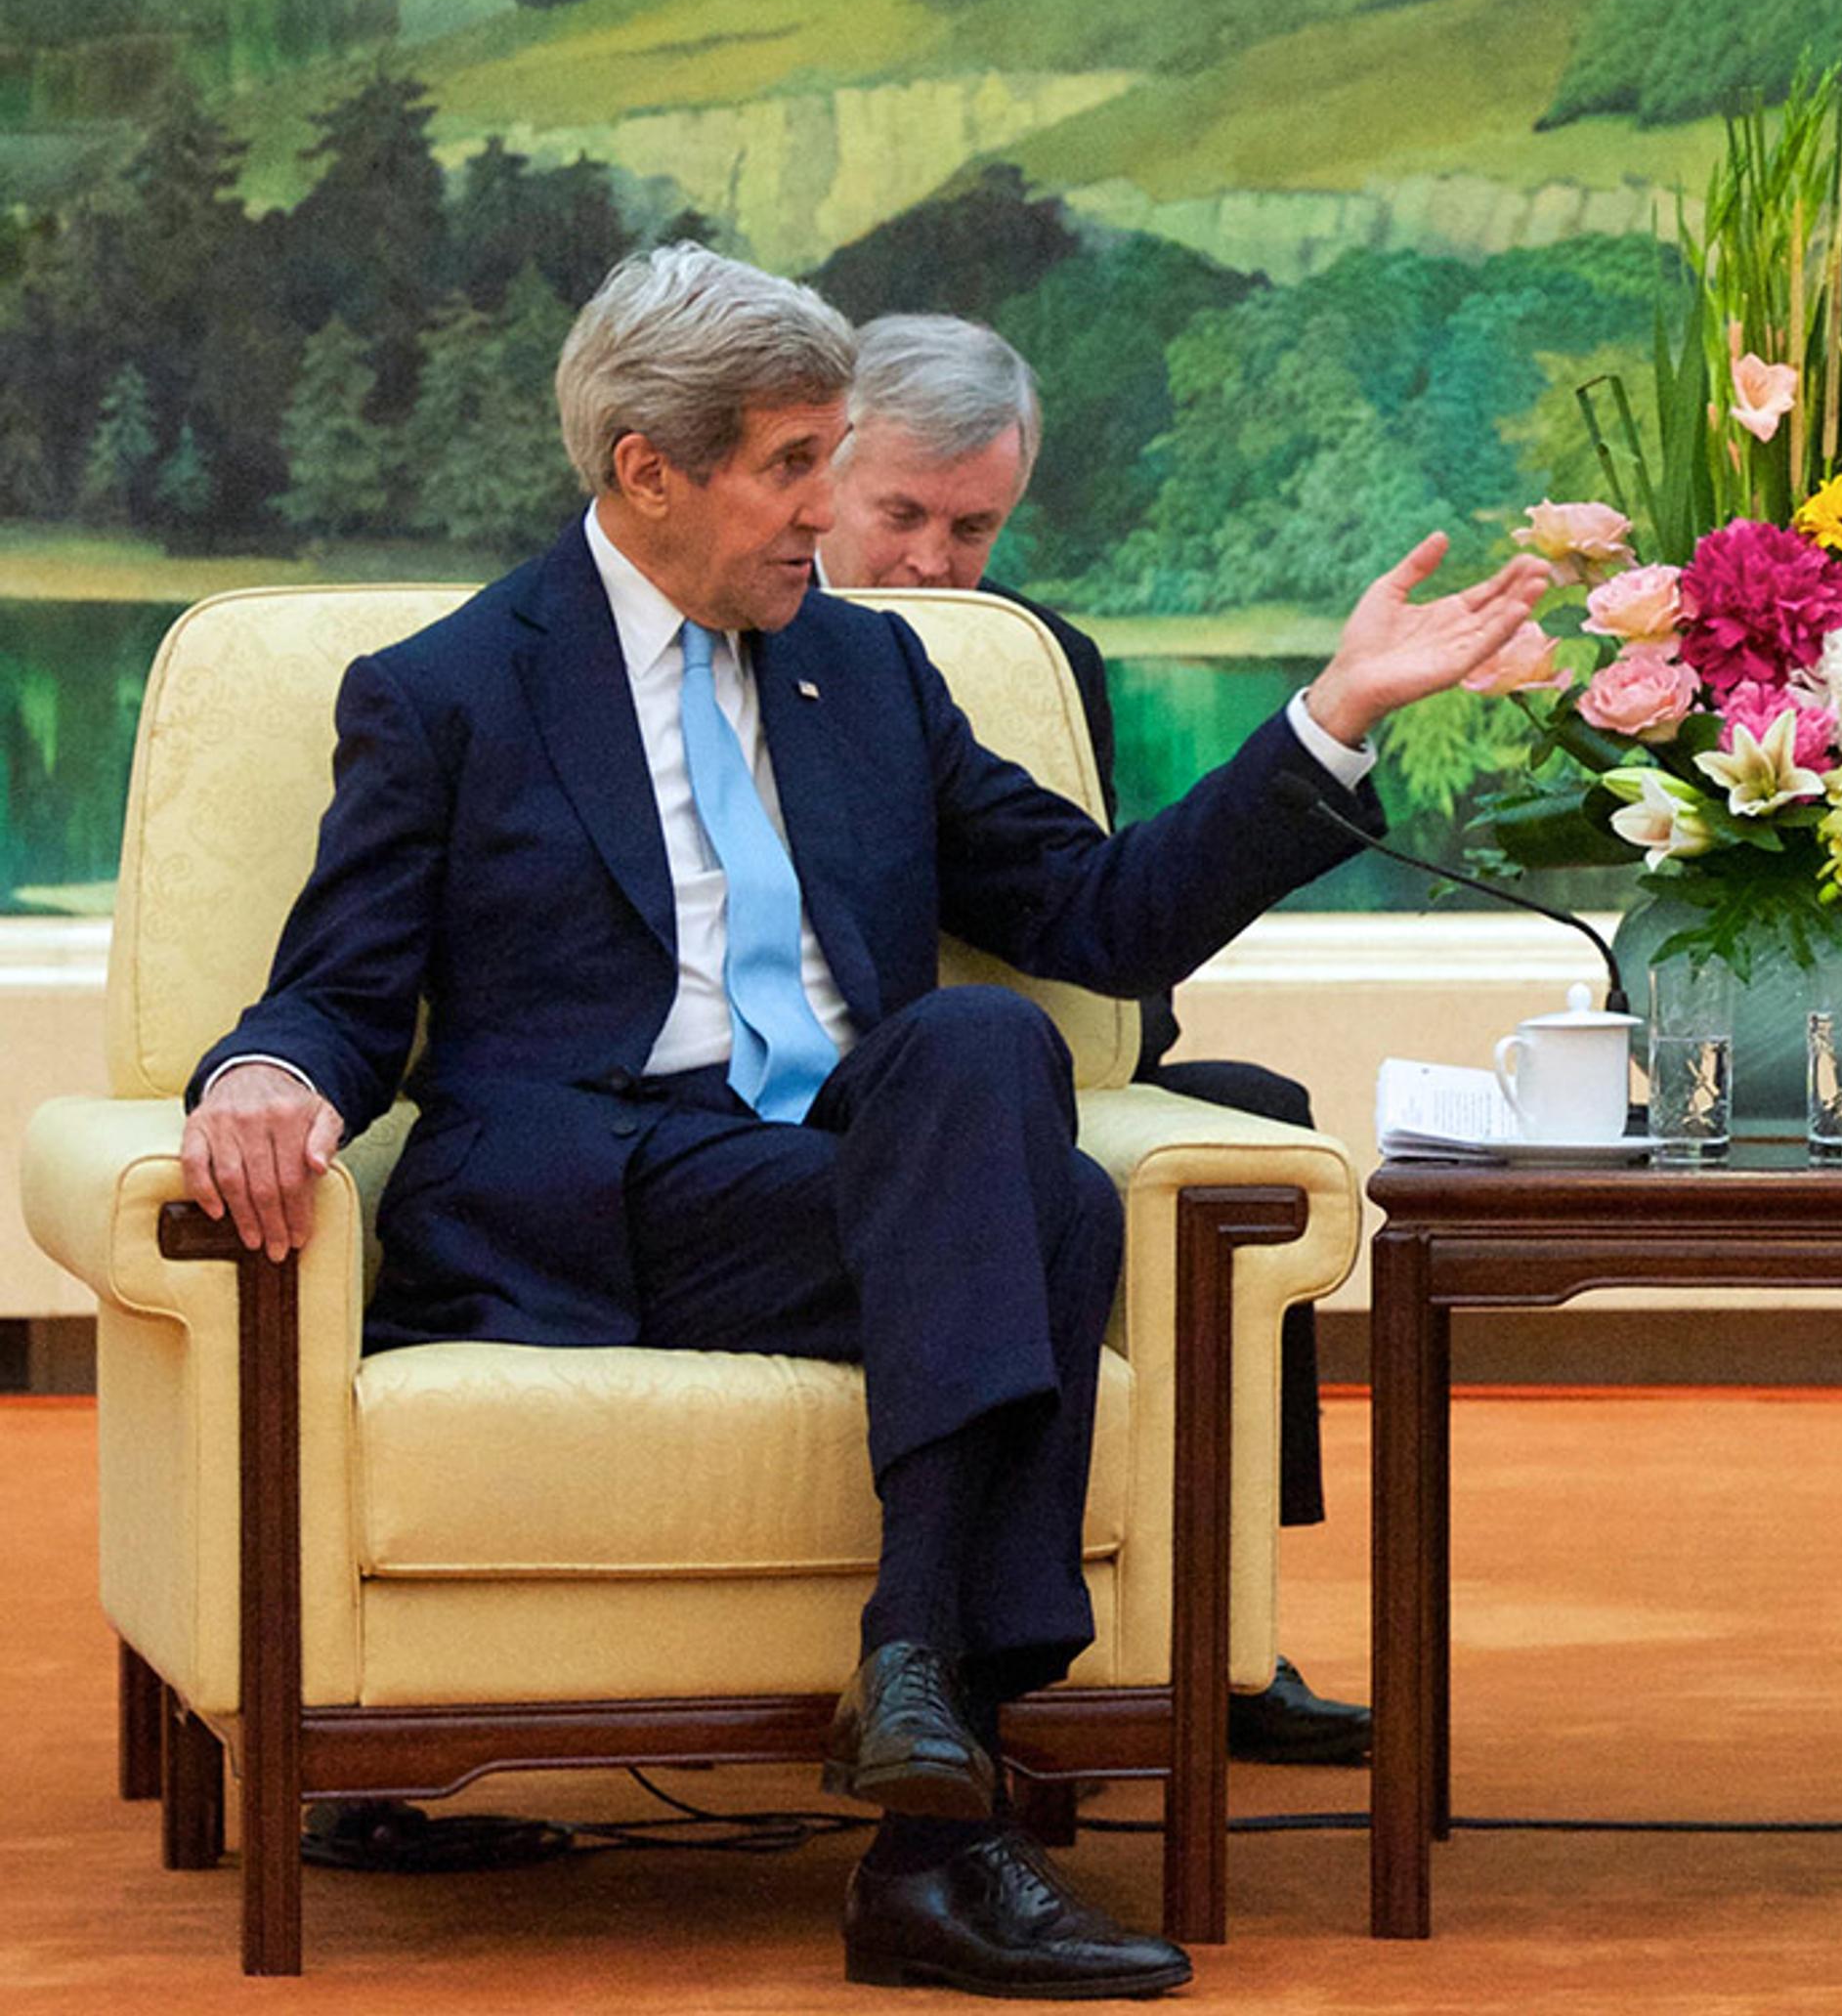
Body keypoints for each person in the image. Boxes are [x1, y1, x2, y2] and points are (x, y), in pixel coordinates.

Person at [179, 244, 1552, 1998]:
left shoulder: (873, 678)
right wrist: (263, 1078)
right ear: (647, 471)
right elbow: (345, 991)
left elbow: (1106, 916)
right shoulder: (455, 689)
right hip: (599, 1192)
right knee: (1044, 1218)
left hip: (841, 1178)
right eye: (790, 467)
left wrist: (1337, 713)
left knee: (984, 1062)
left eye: (837, 459)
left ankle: (917, 1713)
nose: (825, 516)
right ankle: (934, 1821)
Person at [817, 312, 1368, 1769]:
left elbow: (1101, 923)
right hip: (833, 1091)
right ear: (820, 472)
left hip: (1022, 1063)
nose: (933, 562)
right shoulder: (730, 644)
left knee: (1247, 1116)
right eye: (903, 517)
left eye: (972, 525)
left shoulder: (1035, 660)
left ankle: (1221, 1618)